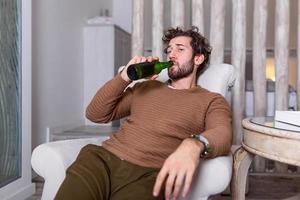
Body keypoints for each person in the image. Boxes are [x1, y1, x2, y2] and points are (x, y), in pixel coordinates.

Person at [55, 26, 232, 200]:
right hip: (102, 160)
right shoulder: (146, 87)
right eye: (169, 50)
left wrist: (194, 145)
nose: (171, 54)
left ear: (198, 58)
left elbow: (223, 133)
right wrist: (125, 77)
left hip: (151, 176)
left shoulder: (211, 100)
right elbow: (95, 114)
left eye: (180, 49)